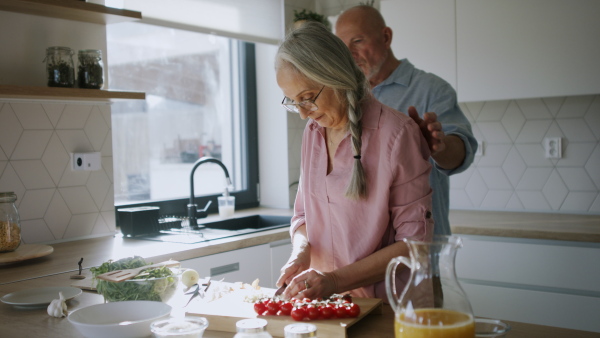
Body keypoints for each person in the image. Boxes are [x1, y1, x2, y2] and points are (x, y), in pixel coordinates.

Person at [275, 21, 433, 301]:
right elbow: (302, 216)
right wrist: (301, 253)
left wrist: (335, 280)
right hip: (326, 305)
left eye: (308, 98)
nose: (302, 113)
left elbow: (414, 245)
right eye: (293, 102)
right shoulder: (313, 133)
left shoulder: (397, 135)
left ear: (336, 77)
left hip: (388, 308)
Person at [335, 5, 478, 236]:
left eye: (358, 41)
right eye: (343, 46)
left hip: (420, 248)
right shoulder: (345, 97)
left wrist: (438, 147)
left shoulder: (431, 89)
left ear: (386, 37)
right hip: (362, 250)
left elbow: (462, 152)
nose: (350, 53)